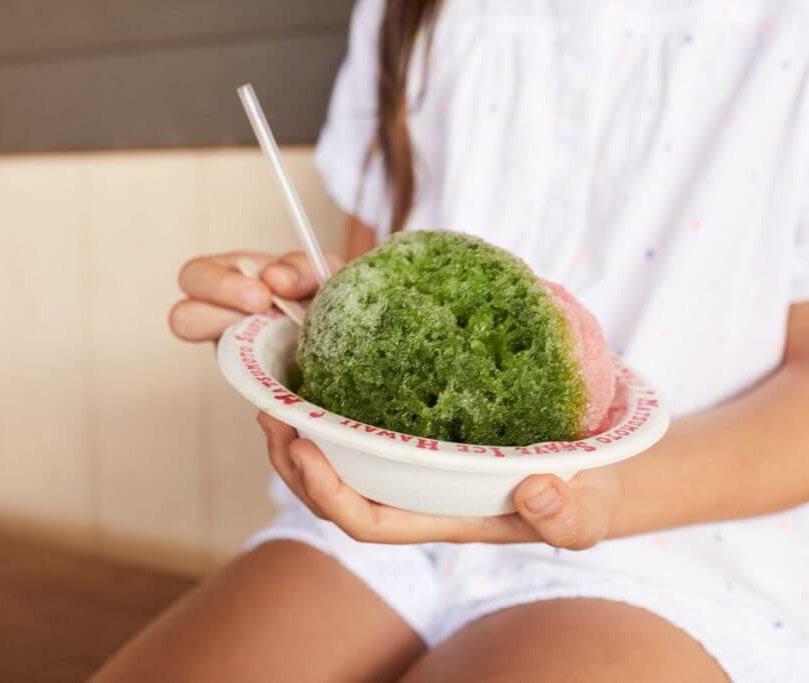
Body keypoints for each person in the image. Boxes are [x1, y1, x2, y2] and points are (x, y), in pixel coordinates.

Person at [96, 1, 809, 680]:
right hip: (387, 524)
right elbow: (371, 266)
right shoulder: (416, 13)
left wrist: (600, 492)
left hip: (672, 546)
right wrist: (303, 310)